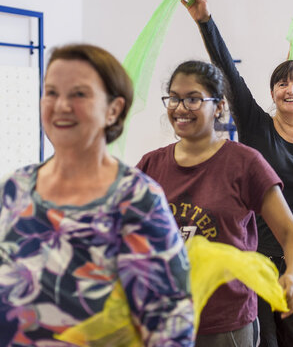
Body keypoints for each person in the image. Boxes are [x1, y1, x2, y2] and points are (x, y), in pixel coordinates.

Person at [182, 0, 293, 347]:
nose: (289, 89)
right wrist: (205, 21)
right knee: (263, 342)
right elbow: (226, 69)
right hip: (254, 259)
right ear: (272, 94)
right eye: (281, 84)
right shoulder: (256, 127)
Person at [0, 44, 194, 346]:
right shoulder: (15, 188)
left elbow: (170, 326)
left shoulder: (137, 200)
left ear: (113, 109)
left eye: (78, 94)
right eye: (51, 92)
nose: (61, 105)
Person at [137, 60, 293, 347]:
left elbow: (291, 234)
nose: (180, 108)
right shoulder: (151, 165)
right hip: (163, 318)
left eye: (193, 99)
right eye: (174, 98)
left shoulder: (244, 163)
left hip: (226, 324)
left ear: (218, 106)